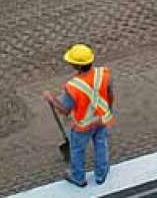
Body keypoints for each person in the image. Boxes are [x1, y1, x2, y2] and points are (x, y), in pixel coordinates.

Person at [43, 44, 115, 187]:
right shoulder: (104, 74)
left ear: (76, 66)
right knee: (101, 145)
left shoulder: (72, 87)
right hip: (102, 119)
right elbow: (110, 94)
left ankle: (78, 178)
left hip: (83, 126)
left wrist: (51, 99)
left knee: (77, 150)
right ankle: (101, 174)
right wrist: (109, 112)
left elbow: (64, 110)